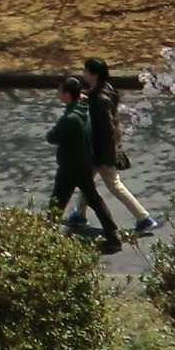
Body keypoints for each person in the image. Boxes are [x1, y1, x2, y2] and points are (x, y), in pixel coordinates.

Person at [82, 56, 160, 238]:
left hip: (102, 151)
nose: (83, 74)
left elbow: (107, 129)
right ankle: (78, 214)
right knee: (85, 181)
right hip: (102, 149)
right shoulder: (106, 91)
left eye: (86, 71)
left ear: (93, 74)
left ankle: (144, 218)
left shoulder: (100, 99)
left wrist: (106, 155)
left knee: (115, 185)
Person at [49, 75, 121, 253]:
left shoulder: (69, 118)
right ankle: (113, 236)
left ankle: (46, 236)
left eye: (60, 91)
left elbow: (51, 137)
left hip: (70, 166)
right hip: (84, 163)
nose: (58, 93)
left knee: (57, 201)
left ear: (67, 94)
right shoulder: (83, 108)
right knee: (94, 199)